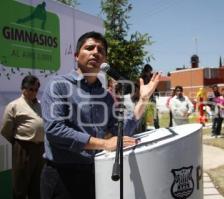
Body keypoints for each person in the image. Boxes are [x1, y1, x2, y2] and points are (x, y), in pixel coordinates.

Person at [40, 31, 160, 199]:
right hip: (61, 176)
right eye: (89, 48)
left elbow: (119, 132)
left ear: (104, 61)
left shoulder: (105, 97)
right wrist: (104, 144)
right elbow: (54, 130)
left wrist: (143, 100)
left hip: (94, 173)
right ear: (76, 56)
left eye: (101, 50)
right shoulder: (58, 86)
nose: (95, 52)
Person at [0, 75, 44, 199]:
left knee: (37, 186)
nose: (34, 92)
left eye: (36, 90)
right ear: (22, 89)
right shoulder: (14, 105)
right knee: (20, 186)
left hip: (40, 150)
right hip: (23, 149)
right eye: (31, 89)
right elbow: (5, 130)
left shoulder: (39, 105)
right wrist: (18, 143)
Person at [140, 64, 160, 129]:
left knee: (154, 116)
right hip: (144, 100)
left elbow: (154, 85)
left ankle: (157, 127)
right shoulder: (142, 78)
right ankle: (143, 129)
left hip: (151, 99)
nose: (149, 73)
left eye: (150, 71)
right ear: (145, 71)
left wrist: (156, 92)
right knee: (143, 117)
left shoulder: (151, 77)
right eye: (148, 71)